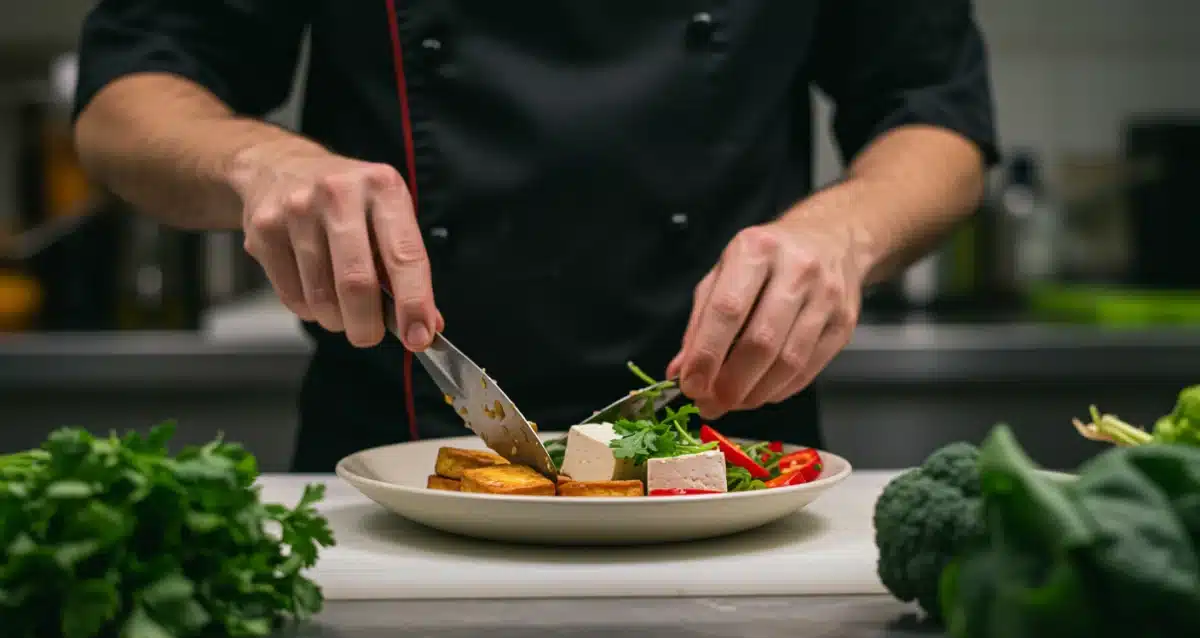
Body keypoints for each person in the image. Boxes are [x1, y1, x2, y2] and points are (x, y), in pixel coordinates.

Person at [72, 1, 997, 472]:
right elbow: (124, 101)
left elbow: (938, 114)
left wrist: (843, 230)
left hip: (737, 466)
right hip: (395, 466)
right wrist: (260, 164)